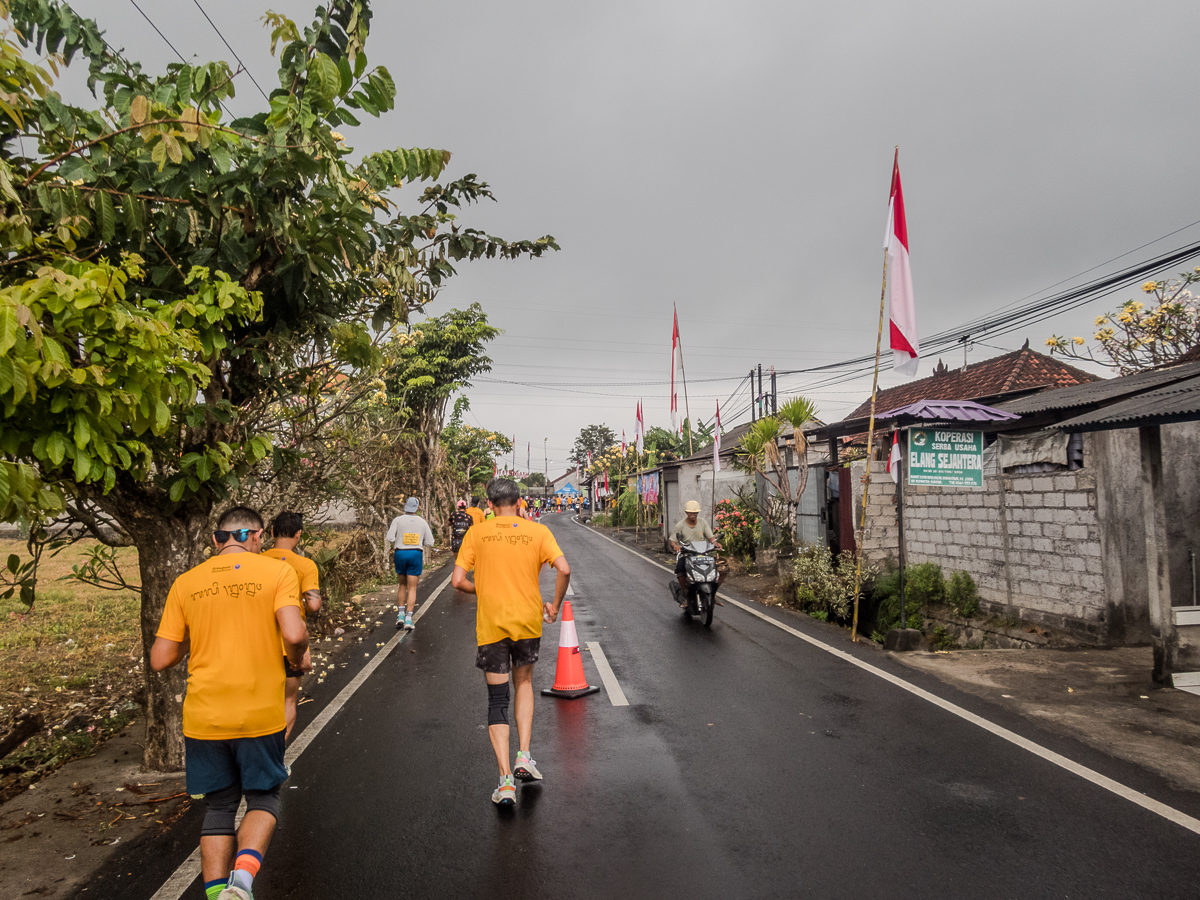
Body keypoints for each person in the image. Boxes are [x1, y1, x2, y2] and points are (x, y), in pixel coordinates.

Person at [151, 506, 308, 900]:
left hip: (204, 716)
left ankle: (215, 893)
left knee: (219, 807)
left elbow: (160, 658)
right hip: (258, 712)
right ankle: (241, 881)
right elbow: (293, 631)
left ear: (218, 539)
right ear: (255, 537)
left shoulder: (186, 582)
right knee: (263, 797)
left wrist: (198, 636)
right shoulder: (278, 572)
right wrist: (296, 658)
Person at [451, 478, 571, 808]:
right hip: (528, 622)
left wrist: (484, 589)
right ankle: (524, 757)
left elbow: (457, 580)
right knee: (525, 683)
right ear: (519, 502)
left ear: (489, 506)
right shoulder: (537, 532)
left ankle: (505, 782)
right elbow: (564, 568)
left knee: (497, 699)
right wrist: (555, 605)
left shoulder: (476, 533)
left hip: (491, 626)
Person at [262, 510, 321, 742]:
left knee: (264, 702)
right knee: (288, 700)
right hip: (290, 644)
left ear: (271, 532)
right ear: (298, 535)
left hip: (260, 645)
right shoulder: (305, 565)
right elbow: (314, 605)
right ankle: (278, 757)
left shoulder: (257, 561)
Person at [386, 497, 436, 630]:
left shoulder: (397, 520)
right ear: (418, 509)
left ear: (405, 507)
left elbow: (390, 538)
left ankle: (400, 616)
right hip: (415, 554)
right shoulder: (422, 522)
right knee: (412, 588)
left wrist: (401, 539)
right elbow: (430, 542)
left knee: (402, 584)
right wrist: (419, 541)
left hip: (400, 554)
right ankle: (409, 619)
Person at [669, 500, 725, 606]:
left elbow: (711, 538)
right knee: (680, 569)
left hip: (703, 554)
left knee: (721, 569)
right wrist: (675, 546)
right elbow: (672, 541)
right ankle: (685, 595)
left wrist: (715, 543)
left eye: (694, 513)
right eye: (690, 513)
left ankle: (713, 593)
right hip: (687, 554)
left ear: (698, 513)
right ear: (686, 513)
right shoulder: (680, 525)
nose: (692, 515)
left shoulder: (702, 522)